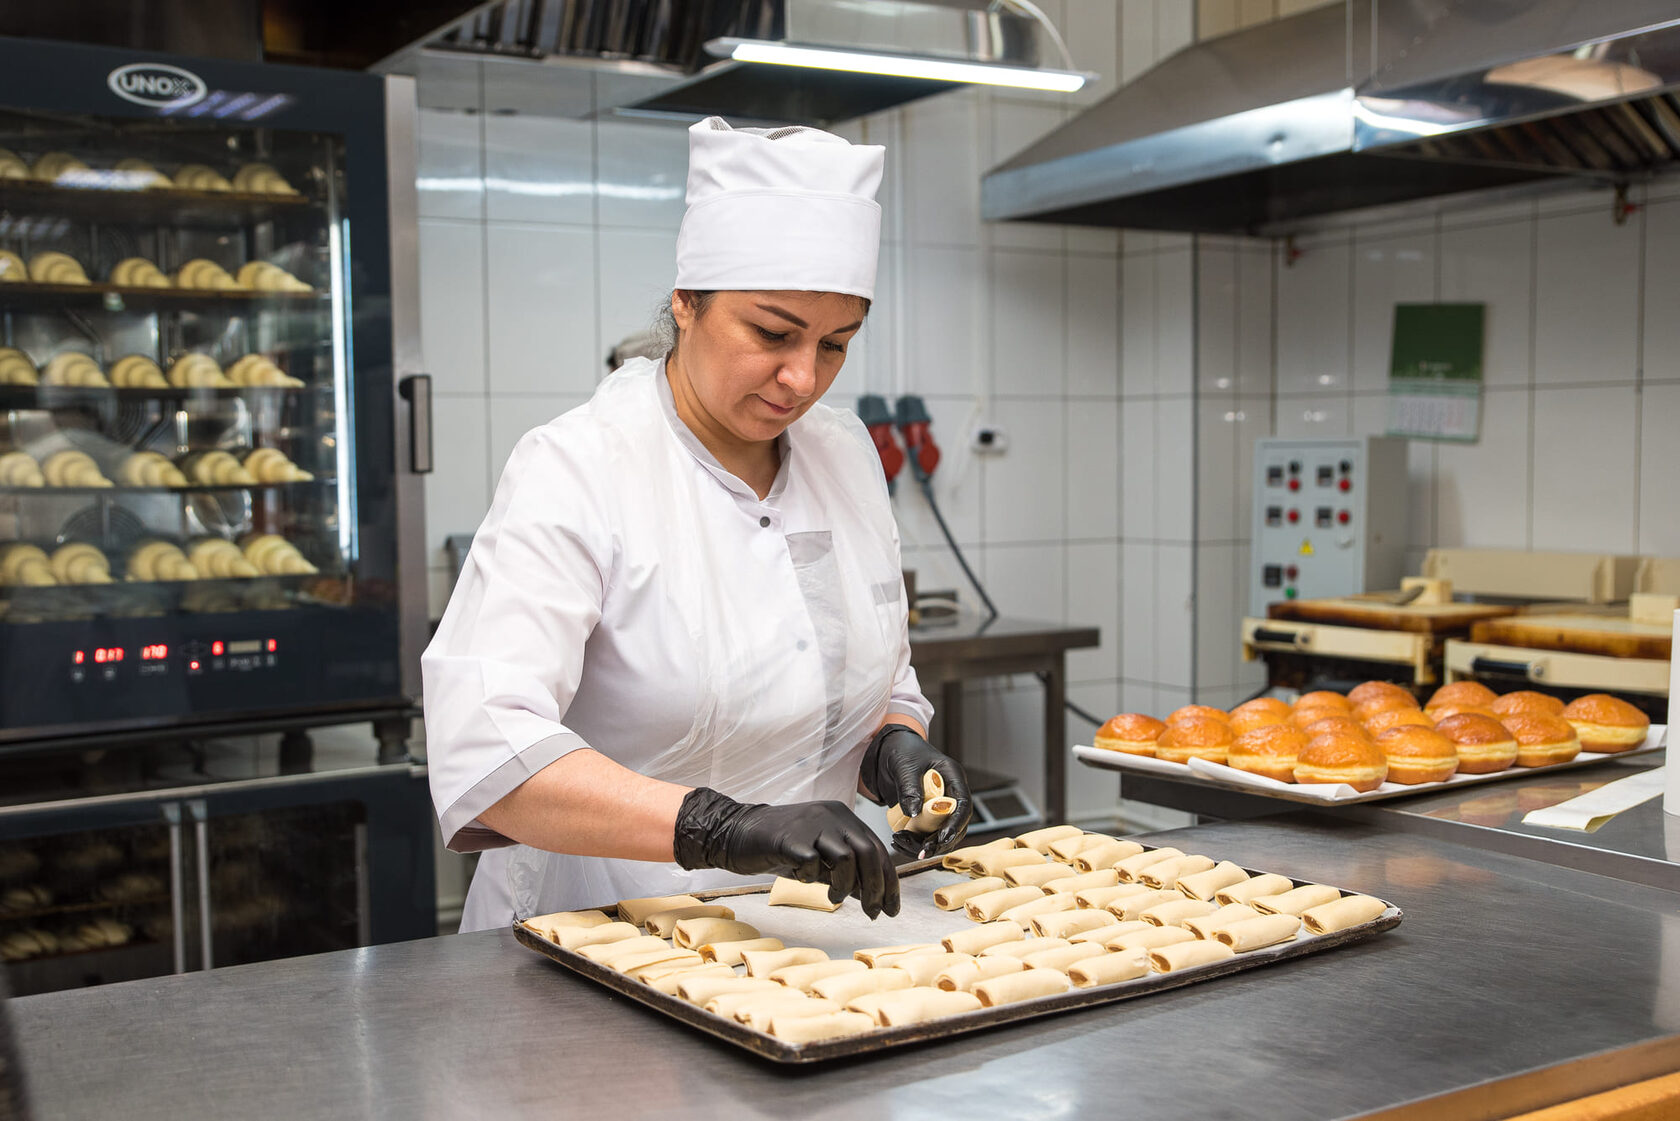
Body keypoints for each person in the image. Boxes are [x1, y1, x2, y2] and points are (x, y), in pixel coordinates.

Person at [423, 117, 972, 932]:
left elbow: (882, 676)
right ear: (686, 302)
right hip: (594, 935)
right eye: (773, 333)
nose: (802, 377)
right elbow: (487, 747)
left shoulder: (846, 456)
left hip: (804, 937)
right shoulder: (578, 466)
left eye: (835, 344)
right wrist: (719, 827)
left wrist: (895, 744)